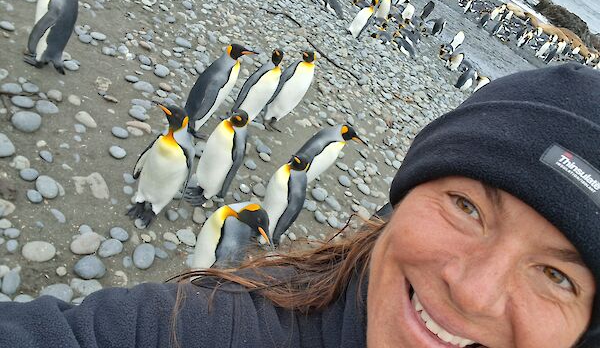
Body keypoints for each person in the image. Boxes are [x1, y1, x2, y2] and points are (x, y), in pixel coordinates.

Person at [0, 63, 599, 348]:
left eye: (557, 274)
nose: (474, 292)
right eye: (467, 206)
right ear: (404, 197)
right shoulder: (233, 326)